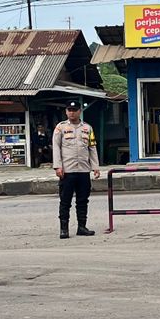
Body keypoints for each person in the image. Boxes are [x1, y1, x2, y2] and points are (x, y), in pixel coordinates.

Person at [53, 100, 100, 239]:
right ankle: (64, 229)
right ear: (66, 112)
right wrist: (58, 166)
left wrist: (95, 167)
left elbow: (92, 147)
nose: (72, 113)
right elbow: (56, 147)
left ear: (80, 111)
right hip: (67, 171)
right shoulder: (60, 127)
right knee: (65, 201)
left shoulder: (87, 128)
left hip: (83, 170)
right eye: (69, 110)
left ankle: (82, 227)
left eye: (74, 110)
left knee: (83, 200)